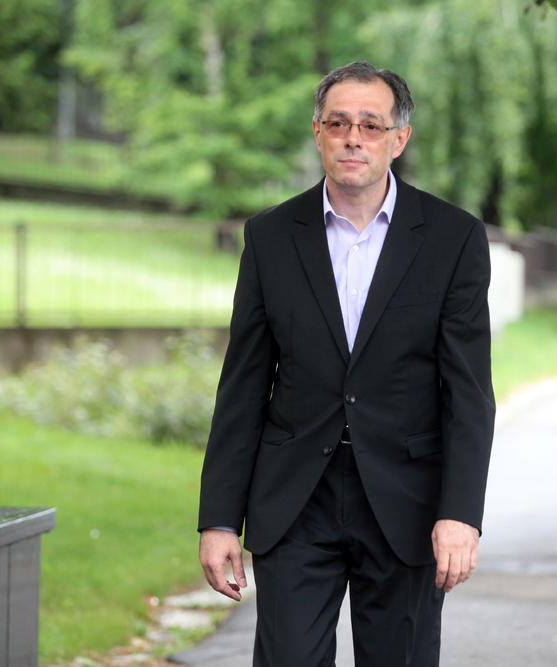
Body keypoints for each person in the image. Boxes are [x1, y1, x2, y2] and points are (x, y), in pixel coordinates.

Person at [197, 61, 496, 667]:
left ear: (398, 139)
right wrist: (219, 519)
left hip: (407, 504)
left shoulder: (453, 238)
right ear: (318, 133)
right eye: (338, 123)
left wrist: (460, 514)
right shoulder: (270, 236)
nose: (353, 138)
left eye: (370, 125)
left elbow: (468, 393)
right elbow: (244, 385)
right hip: (294, 501)